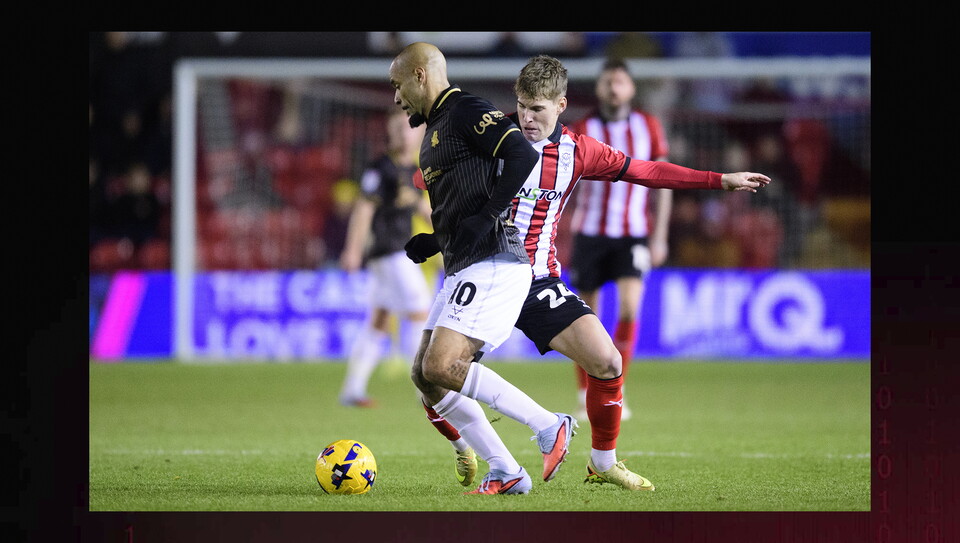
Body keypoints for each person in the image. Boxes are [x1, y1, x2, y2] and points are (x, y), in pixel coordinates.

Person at [416, 54, 770, 491]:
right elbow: (443, 186)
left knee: (607, 361)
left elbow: (647, 171)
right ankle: (483, 454)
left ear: (561, 105)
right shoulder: (490, 135)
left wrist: (719, 179)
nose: (527, 118)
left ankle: (602, 463)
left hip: (538, 279)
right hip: (488, 270)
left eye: (538, 109)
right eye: (522, 106)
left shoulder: (578, 151)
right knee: (434, 374)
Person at [389, 42, 577, 495]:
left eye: (398, 86)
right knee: (424, 375)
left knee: (444, 364)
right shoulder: (437, 129)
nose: (396, 98)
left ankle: (550, 425)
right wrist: (437, 239)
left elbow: (522, 155)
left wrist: (484, 218)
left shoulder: (463, 109)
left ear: (420, 76)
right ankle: (505, 469)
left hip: (495, 258)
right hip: (464, 262)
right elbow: (468, 192)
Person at [565, 58, 671, 422]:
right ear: (599, 88)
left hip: (634, 233)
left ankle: (616, 390)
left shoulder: (648, 126)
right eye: (608, 81)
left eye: (620, 81)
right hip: (590, 232)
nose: (614, 88)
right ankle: (584, 393)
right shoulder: (583, 127)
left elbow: (664, 182)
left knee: (629, 308)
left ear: (631, 88)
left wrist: (660, 236)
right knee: (584, 317)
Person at [337, 108, 433, 407]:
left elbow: (422, 210)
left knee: (379, 320)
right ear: (390, 133)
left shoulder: (411, 171)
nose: (404, 134)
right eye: (398, 129)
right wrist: (352, 250)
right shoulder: (380, 168)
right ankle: (426, 389)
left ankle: (351, 390)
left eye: (409, 128)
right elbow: (363, 210)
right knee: (420, 311)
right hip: (390, 252)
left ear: (419, 132)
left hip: (394, 254)